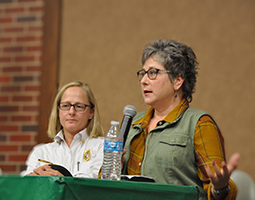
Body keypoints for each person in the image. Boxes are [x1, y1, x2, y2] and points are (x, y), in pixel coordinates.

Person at [122, 39, 240, 200]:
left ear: (177, 80)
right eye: (143, 73)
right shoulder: (134, 121)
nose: (143, 80)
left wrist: (220, 188)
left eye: (153, 73)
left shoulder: (199, 123)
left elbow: (221, 189)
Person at [22, 81, 104, 178]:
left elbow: (97, 185)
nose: (71, 112)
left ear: (91, 112)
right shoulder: (40, 152)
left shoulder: (103, 147)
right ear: (58, 111)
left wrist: (62, 180)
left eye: (79, 106)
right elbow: (26, 186)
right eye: (65, 106)